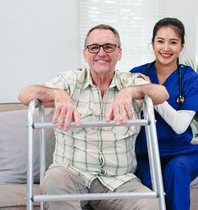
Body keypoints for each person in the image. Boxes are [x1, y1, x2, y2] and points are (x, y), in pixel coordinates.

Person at [18, 24, 169, 210]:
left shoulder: (129, 81)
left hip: (118, 181)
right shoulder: (70, 80)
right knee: (54, 182)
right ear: (85, 53)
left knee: (150, 204)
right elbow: (25, 94)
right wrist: (58, 94)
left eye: (108, 47)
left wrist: (131, 91)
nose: (101, 53)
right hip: (70, 174)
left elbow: (162, 93)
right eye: (94, 47)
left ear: (119, 53)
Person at [130, 17, 198, 210]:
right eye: (160, 41)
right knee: (149, 184)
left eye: (173, 42)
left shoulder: (190, 78)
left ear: (181, 46)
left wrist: (150, 92)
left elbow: (180, 126)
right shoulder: (135, 75)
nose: (166, 48)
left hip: (181, 154)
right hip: (144, 155)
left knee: (176, 170)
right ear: (152, 43)